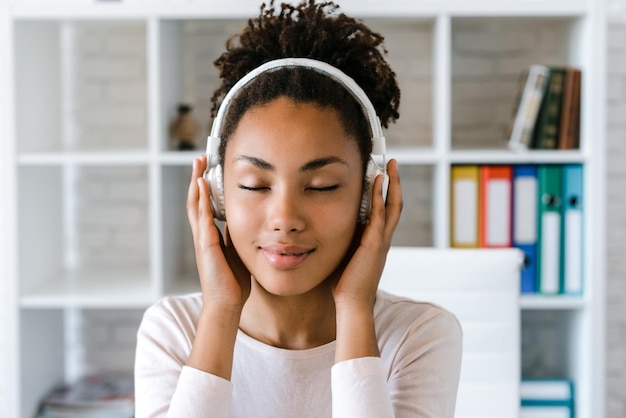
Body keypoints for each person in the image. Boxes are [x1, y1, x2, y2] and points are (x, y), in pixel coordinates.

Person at [134, 1, 462, 417]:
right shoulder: (173, 330)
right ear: (216, 193)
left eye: (321, 186)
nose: (284, 218)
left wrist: (355, 309)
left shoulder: (420, 335)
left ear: (368, 196)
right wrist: (220, 310)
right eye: (255, 184)